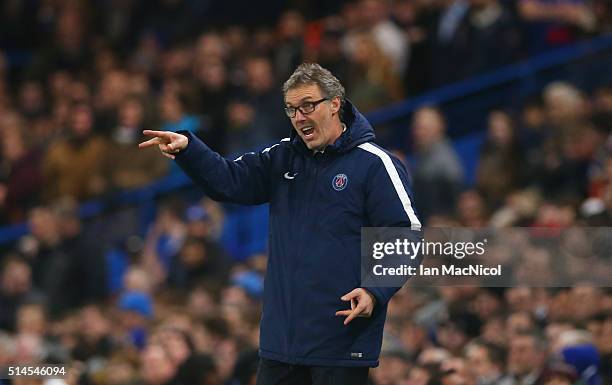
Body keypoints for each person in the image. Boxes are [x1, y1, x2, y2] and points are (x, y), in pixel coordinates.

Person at [139, 63, 422, 385]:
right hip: (280, 345)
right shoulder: (281, 158)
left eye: (307, 106)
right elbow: (229, 181)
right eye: (291, 109)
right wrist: (191, 150)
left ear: (335, 104)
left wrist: (375, 291)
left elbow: (405, 237)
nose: (299, 117)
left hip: (339, 342)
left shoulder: (375, 164)